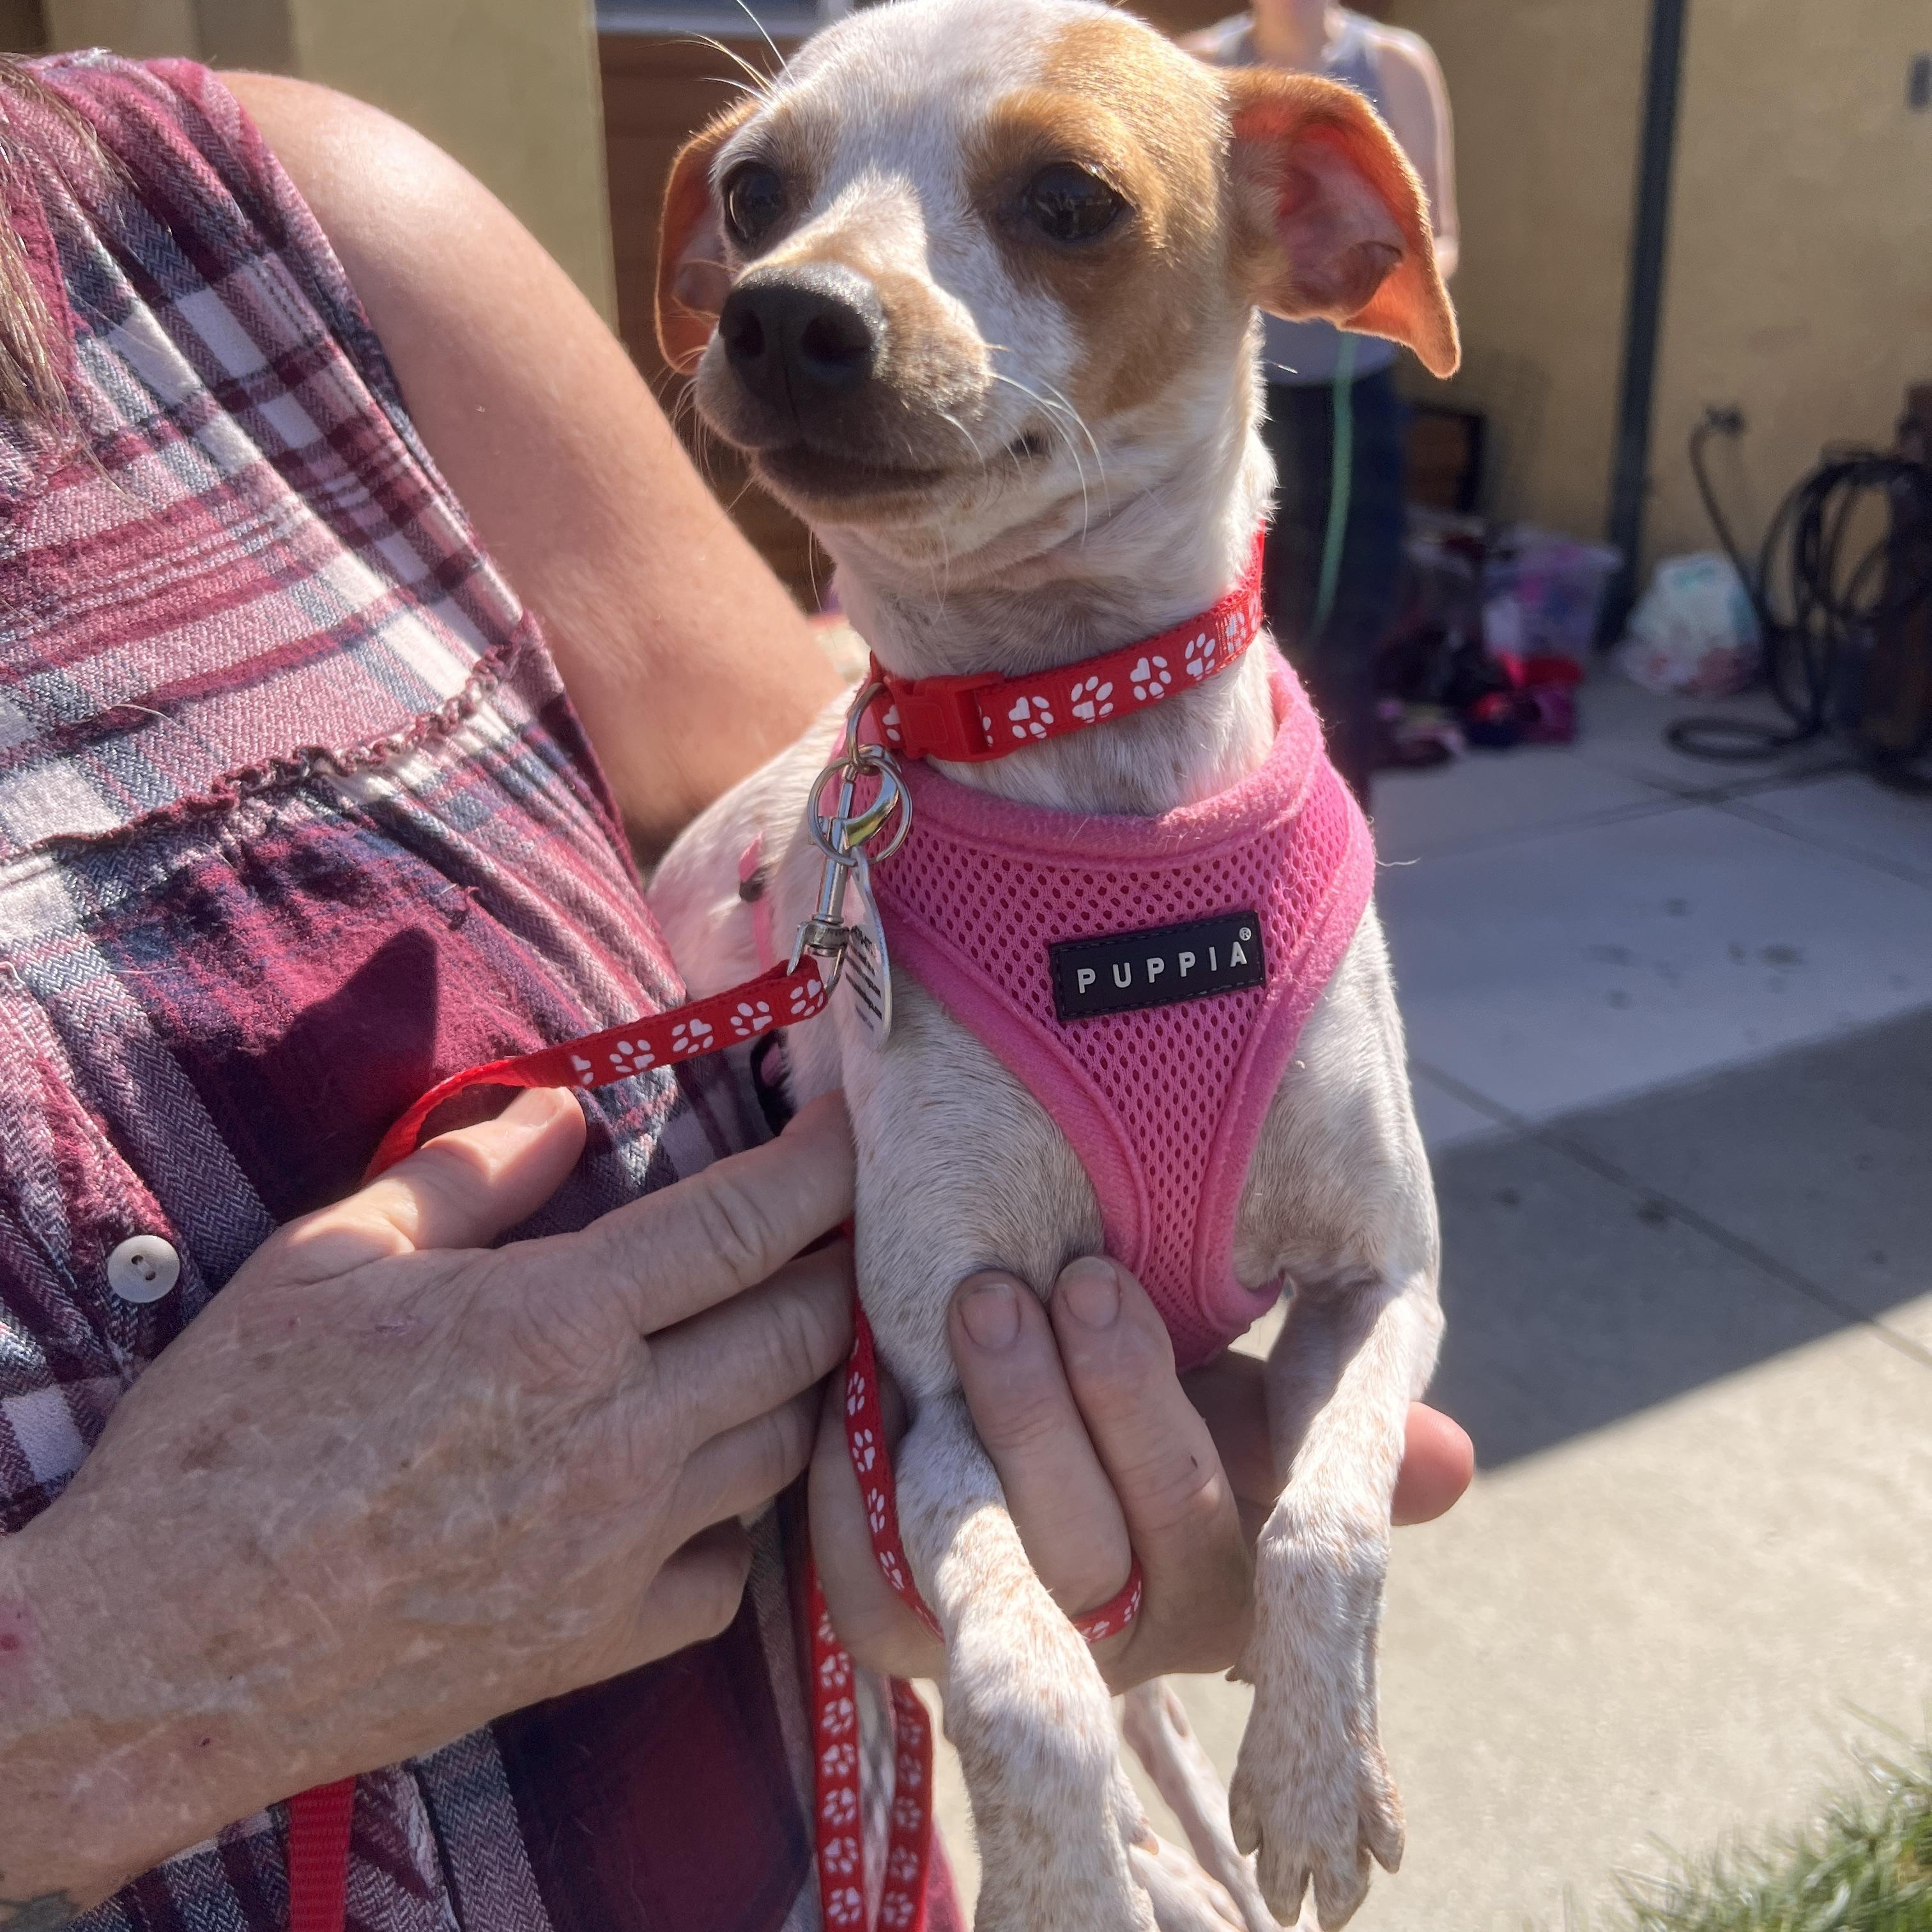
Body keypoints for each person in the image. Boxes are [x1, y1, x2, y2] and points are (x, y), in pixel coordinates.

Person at [0, 51, 1473, 1931]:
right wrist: (90, 1705)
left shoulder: (275, 214)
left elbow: (812, 803)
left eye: (1066, 205)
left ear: (1325, 222)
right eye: (769, 208)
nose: (796, 292)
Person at [1188, 0, 1460, 804]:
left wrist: (1343, 267)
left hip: (1347, 405)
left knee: (1338, 641)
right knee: (1226, 633)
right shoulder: (1202, 64)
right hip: (1239, 398)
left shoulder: (1393, 64)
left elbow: (1440, 241)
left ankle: (1332, 857)